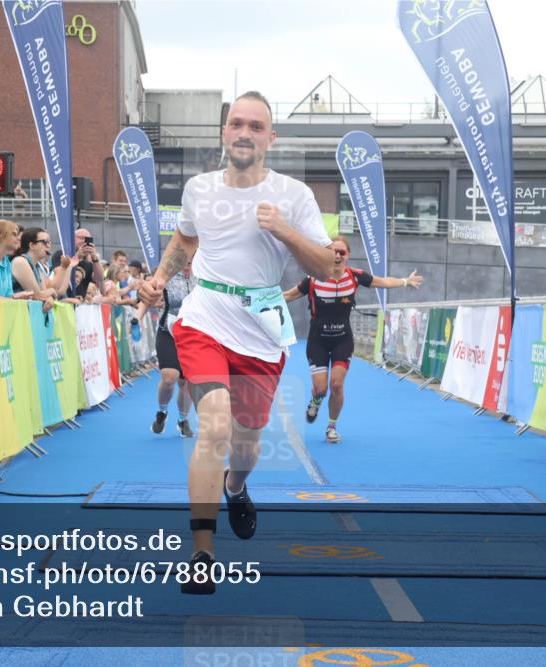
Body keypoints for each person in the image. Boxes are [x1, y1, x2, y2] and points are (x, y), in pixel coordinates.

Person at [139, 91, 334, 594]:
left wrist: (286, 232)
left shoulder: (294, 195)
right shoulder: (199, 188)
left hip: (261, 328)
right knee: (215, 427)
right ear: (224, 132)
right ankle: (202, 554)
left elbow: (327, 266)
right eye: (237, 124)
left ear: (271, 138)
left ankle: (236, 485)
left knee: (245, 444)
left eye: (256, 126)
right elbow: (184, 240)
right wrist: (160, 278)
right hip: (204, 316)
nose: (245, 133)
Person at [283, 237, 423, 443]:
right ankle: (315, 400)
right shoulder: (313, 279)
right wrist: (259, 301)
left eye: (342, 252)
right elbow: (288, 295)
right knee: (321, 389)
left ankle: (332, 427)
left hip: (342, 340)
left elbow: (383, 282)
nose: (337, 255)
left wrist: (405, 281)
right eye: (333, 251)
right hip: (317, 341)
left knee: (337, 384)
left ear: (348, 255)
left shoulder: (355, 276)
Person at [145, 261, 197, 438]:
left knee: (186, 382)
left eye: (190, 261)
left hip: (192, 335)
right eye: (184, 261)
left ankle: (183, 420)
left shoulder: (202, 277)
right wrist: (139, 313)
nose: (187, 264)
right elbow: (147, 294)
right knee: (169, 377)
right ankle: (162, 412)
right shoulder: (168, 277)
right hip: (168, 331)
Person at [12, 227, 60, 306]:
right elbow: (37, 295)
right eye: (45, 242)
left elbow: (43, 293)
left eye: (49, 242)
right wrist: (52, 291)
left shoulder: (37, 266)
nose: (48, 246)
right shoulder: (20, 261)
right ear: (32, 245)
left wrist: (50, 298)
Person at [69, 227, 106, 299]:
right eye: (81, 238)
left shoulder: (87, 264)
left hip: (80, 303)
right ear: (73, 238)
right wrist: (77, 256)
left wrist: (94, 257)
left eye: (87, 239)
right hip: (64, 300)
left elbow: (100, 279)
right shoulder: (62, 255)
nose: (84, 241)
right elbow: (63, 270)